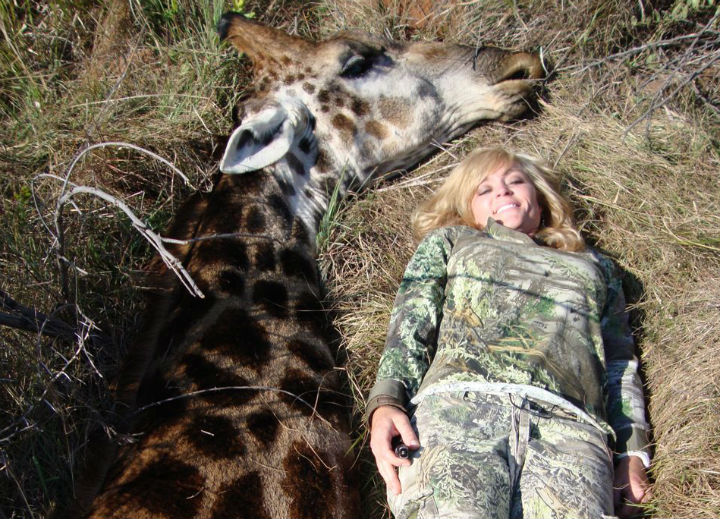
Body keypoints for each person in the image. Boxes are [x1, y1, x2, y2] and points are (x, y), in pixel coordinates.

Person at [367, 147, 651, 519]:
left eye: (515, 181)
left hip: (571, 430)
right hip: (459, 411)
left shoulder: (595, 266)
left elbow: (618, 363)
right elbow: (411, 323)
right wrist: (386, 402)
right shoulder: (452, 242)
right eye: (484, 189)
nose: (502, 191)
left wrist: (632, 452)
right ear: (470, 210)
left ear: (539, 197)